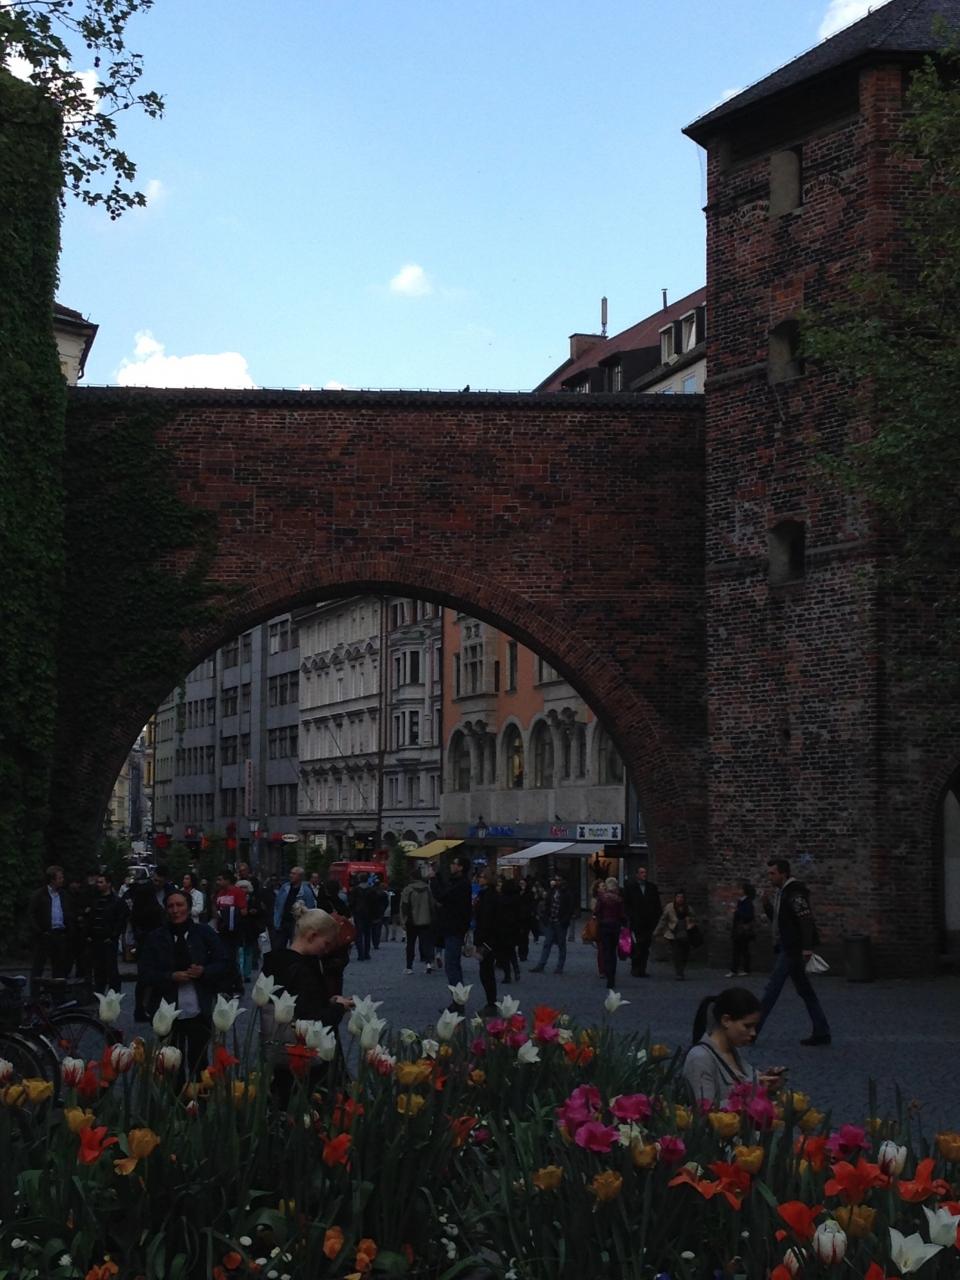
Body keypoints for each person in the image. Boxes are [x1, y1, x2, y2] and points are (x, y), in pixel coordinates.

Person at [261, 902, 354, 1101]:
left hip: (280, 1053)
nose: (326, 950)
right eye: (326, 943)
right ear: (312, 936)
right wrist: (338, 1008)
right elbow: (312, 1021)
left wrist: (328, 1001)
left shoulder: (275, 963)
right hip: (306, 1060)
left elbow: (300, 1006)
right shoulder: (302, 971)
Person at [137, 889, 230, 1076]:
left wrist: (204, 971)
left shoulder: (204, 933)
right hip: (167, 1011)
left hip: (198, 1010)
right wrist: (170, 977)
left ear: (188, 907)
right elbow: (145, 973)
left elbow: (224, 962)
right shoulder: (155, 938)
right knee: (171, 1066)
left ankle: (199, 1094)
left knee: (199, 1064)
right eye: (170, 906)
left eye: (179, 905)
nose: (175, 910)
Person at [758, 858, 831, 1046]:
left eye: (773, 873)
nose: (770, 877)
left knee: (772, 990)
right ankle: (822, 1030)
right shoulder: (783, 893)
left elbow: (805, 920)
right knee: (805, 991)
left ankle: (752, 1030)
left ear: (783, 874)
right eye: (769, 873)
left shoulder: (794, 893)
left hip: (792, 949)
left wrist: (807, 947)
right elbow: (779, 921)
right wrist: (766, 904)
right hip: (790, 946)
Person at [683, 987, 787, 1106]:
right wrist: (753, 1092)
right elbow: (705, 1110)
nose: (753, 1033)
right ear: (726, 1020)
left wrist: (766, 1087)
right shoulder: (700, 1059)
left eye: (755, 1026)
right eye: (747, 1026)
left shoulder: (733, 1051)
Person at [28, 865, 74, 995]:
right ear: (52, 880)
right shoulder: (39, 895)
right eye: (59, 878)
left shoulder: (64, 895)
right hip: (45, 933)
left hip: (60, 933)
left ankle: (57, 994)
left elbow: (69, 912)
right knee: (38, 965)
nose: (62, 880)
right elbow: (31, 914)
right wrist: (39, 931)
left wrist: (69, 929)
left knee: (59, 966)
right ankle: (35, 994)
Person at [428, 855, 472, 988]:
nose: (451, 865)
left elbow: (442, 896)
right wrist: (438, 875)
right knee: (452, 965)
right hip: (451, 927)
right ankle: (458, 994)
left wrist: (433, 879)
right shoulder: (457, 882)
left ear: (461, 867)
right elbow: (446, 891)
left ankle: (459, 996)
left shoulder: (462, 884)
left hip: (454, 928)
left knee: (452, 965)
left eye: (454, 863)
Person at [83, 868, 125, 993]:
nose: (98, 885)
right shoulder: (94, 900)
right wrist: (88, 934)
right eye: (98, 882)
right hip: (95, 940)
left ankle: (114, 996)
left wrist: (113, 936)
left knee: (111, 970)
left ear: (108, 884)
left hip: (108, 940)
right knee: (98, 970)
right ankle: (99, 994)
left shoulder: (116, 902)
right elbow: (90, 918)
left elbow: (120, 921)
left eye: (101, 882)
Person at [530, 872, 573, 974]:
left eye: (558, 880)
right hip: (551, 921)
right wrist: (545, 917)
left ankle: (559, 967)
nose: (556, 882)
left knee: (561, 944)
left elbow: (569, 908)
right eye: (555, 880)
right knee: (547, 943)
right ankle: (541, 964)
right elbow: (547, 905)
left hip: (560, 922)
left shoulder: (567, 893)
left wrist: (564, 920)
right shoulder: (552, 891)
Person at [623, 865, 662, 977]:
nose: (644, 874)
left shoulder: (652, 887)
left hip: (649, 922)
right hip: (636, 922)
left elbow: (657, 904)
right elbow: (627, 904)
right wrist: (630, 917)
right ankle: (635, 967)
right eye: (641, 872)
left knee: (645, 946)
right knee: (637, 945)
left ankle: (642, 969)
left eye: (645, 872)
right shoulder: (631, 888)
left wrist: (656, 918)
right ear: (637, 875)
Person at [212, 868, 248, 990]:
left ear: (227, 880)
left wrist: (229, 913)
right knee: (225, 956)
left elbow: (243, 911)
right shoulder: (220, 893)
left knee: (231, 957)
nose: (218, 882)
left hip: (233, 930)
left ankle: (234, 984)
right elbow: (216, 909)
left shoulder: (237, 892)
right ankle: (232, 983)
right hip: (222, 930)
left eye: (220, 879)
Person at [472, 869, 502, 1013]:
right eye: (479, 877)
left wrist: (482, 939)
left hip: (487, 938)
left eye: (482, 877)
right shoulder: (484, 895)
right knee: (485, 971)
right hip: (486, 937)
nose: (479, 879)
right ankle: (491, 1001)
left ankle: (491, 1003)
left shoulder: (489, 896)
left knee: (486, 972)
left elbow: (487, 919)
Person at [401, 866, 437, 974]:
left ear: (411, 877)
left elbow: (404, 906)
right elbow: (432, 904)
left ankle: (409, 967)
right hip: (426, 919)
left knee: (410, 944)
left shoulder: (408, 889)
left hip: (412, 920)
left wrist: (403, 920)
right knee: (426, 943)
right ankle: (428, 963)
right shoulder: (427, 888)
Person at [654, 891, 698, 980]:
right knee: (676, 953)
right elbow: (663, 920)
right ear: (675, 898)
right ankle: (679, 973)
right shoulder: (670, 907)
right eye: (678, 897)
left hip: (685, 933)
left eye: (682, 897)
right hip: (673, 933)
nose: (680, 899)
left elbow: (694, 918)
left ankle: (681, 968)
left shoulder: (688, 908)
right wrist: (657, 931)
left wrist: (689, 922)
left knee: (685, 952)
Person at [593, 877, 628, 990]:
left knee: (606, 951)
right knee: (613, 952)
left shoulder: (602, 898)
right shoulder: (619, 899)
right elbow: (622, 914)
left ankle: (607, 972)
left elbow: (597, 911)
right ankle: (612, 976)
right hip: (615, 927)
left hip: (604, 926)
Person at [272, 866, 316, 948]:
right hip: (283, 922)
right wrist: (276, 920)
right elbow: (277, 904)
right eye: (291, 873)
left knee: (295, 948)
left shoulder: (306, 891)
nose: (291, 875)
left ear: (300, 877)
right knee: (278, 947)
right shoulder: (285, 887)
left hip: (296, 924)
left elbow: (311, 909)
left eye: (294, 874)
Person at [496, 878, 525, 983]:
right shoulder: (517, 898)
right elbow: (520, 914)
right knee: (511, 950)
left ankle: (507, 975)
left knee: (504, 953)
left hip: (503, 927)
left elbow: (498, 913)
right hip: (514, 928)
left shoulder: (501, 899)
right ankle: (516, 969)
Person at [727, 881, 757, 977]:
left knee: (742, 950)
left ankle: (742, 969)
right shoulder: (741, 901)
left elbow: (748, 915)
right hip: (739, 930)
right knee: (739, 950)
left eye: (741, 889)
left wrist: (736, 911)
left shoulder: (747, 902)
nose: (738, 890)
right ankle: (737, 969)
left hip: (743, 931)